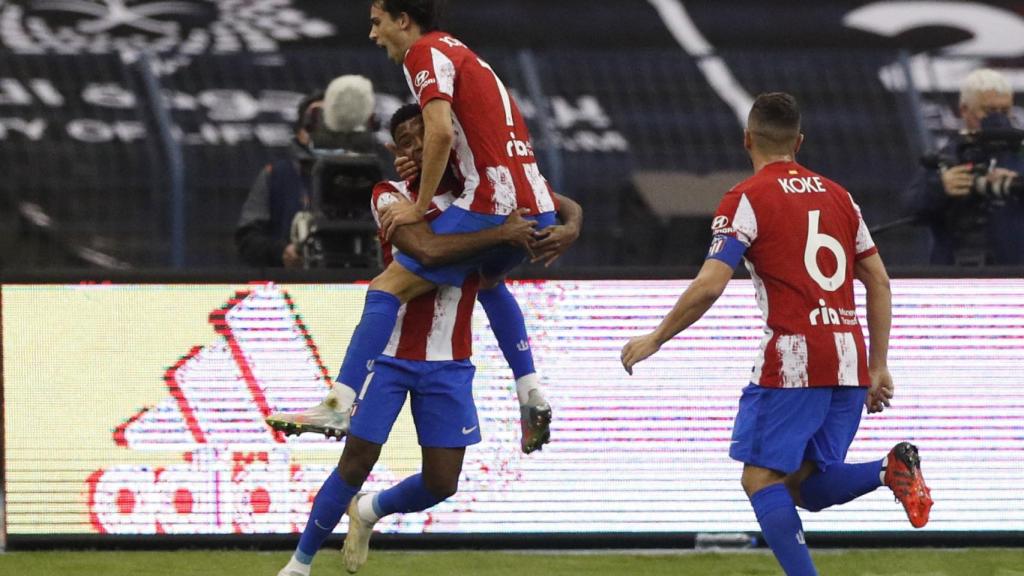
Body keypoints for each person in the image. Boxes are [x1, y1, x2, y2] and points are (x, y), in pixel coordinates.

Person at [621, 93, 933, 576]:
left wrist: (655, 338)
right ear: (799, 142)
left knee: (760, 479)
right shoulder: (840, 197)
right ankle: (889, 469)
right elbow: (878, 280)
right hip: (848, 358)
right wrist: (878, 363)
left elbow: (710, 283)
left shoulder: (746, 198)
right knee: (804, 486)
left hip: (794, 360)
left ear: (747, 139)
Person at [275, 104, 579, 576]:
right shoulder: (389, 194)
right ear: (395, 151)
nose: (419, 145)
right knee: (356, 461)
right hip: (390, 356)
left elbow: (557, 201)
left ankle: (368, 509)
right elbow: (427, 250)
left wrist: (571, 226)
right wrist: (500, 232)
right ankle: (299, 565)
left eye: (426, 135)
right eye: (407, 141)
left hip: (450, 361)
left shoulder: (476, 190)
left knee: (442, 482)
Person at [267, 0, 564, 451]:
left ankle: (339, 402)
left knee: (386, 287)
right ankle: (530, 392)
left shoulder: (424, 52)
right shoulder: (465, 55)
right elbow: (480, 147)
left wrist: (418, 205)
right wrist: (571, 221)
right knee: (488, 282)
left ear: (402, 20)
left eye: (377, 22)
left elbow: (440, 132)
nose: (373, 34)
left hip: (494, 202)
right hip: (536, 205)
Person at [903, 68, 1024, 266]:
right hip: (958, 272)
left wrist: (1017, 184)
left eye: (1005, 111)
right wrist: (940, 187)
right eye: (989, 111)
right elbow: (910, 208)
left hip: (1017, 273)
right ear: (964, 110)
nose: (998, 119)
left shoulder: (1021, 153)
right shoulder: (949, 157)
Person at [236, 91, 323, 269]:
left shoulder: (363, 174)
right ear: (299, 131)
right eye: (314, 123)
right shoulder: (275, 175)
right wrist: (281, 252)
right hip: (290, 280)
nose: (321, 132)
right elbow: (247, 240)